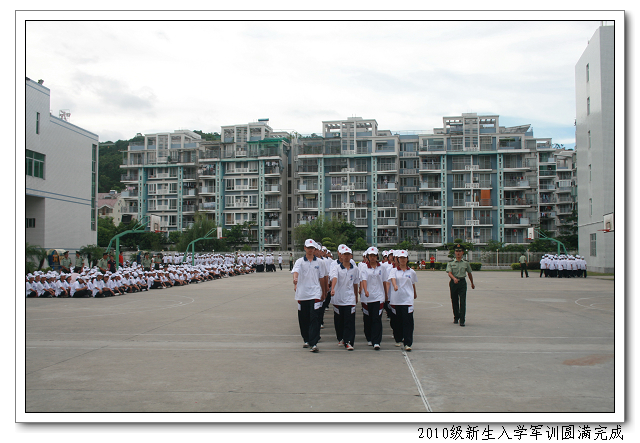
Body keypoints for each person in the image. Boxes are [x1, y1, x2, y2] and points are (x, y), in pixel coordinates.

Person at [292, 239, 327, 353]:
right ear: (305, 248)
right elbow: (296, 271)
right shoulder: (300, 261)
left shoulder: (320, 262)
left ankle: (314, 342)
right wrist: (295, 279)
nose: (310, 250)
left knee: (314, 317)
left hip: (315, 293)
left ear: (315, 249)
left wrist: (324, 291)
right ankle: (306, 339)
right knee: (304, 318)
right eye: (308, 247)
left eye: (312, 248)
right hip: (302, 294)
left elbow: (322, 278)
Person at [329, 245, 359, 351]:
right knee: (339, 321)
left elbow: (355, 283)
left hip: (350, 298)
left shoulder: (355, 269)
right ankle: (341, 337)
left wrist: (356, 296)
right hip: (338, 298)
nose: (346, 256)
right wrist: (333, 289)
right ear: (341, 256)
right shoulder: (336, 268)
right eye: (344, 254)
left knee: (349, 321)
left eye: (348, 254)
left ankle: (349, 342)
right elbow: (334, 278)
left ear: (351, 256)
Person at [360, 246, 388, 350]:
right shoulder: (364, 268)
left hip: (379, 297)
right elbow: (363, 280)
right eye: (370, 255)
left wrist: (386, 295)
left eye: (374, 255)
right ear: (368, 256)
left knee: (377, 318)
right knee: (368, 319)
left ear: (377, 256)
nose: (372, 257)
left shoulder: (382, 268)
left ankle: (376, 341)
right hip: (367, 297)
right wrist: (365, 290)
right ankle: (369, 337)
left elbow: (384, 281)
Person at [388, 250, 418, 351]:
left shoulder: (411, 272)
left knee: (408, 321)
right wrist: (395, 285)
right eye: (401, 258)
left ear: (407, 259)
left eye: (404, 258)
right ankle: (398, 338)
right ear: (398, 259)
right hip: (396, 299)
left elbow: (412, 283)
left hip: (407, 300)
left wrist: (414, 293)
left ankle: (408, 343)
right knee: (397, 321)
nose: (402, 260)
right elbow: (392, 279)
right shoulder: (394, 270)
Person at [446, 243, 475, 327]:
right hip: (453, 283)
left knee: (462, 301)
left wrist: (472, 283)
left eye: (460, 251)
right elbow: (449, 273)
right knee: (454, 300)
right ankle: (456, 317)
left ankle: (462, 320)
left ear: (462, 252)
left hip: (462, 282)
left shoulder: (466, 263)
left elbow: (469, 273)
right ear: (454, 252)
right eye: (456, 251)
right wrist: (454, 278)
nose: (458, 253)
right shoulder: (451, 263)